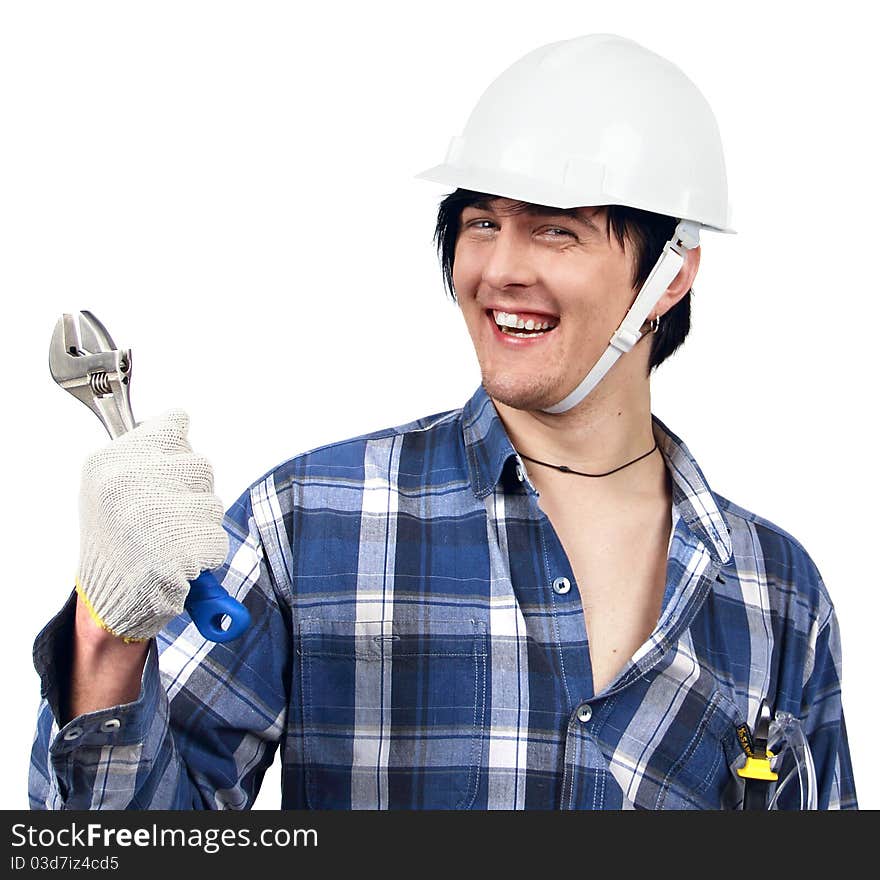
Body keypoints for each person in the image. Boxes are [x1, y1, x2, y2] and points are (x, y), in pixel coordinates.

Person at [29, 34, 856, 810]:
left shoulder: (776, 592)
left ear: (671, 276)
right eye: (481, 223)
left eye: (555, 230)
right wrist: (108, 643)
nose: (498, 269)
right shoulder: (310, 524)